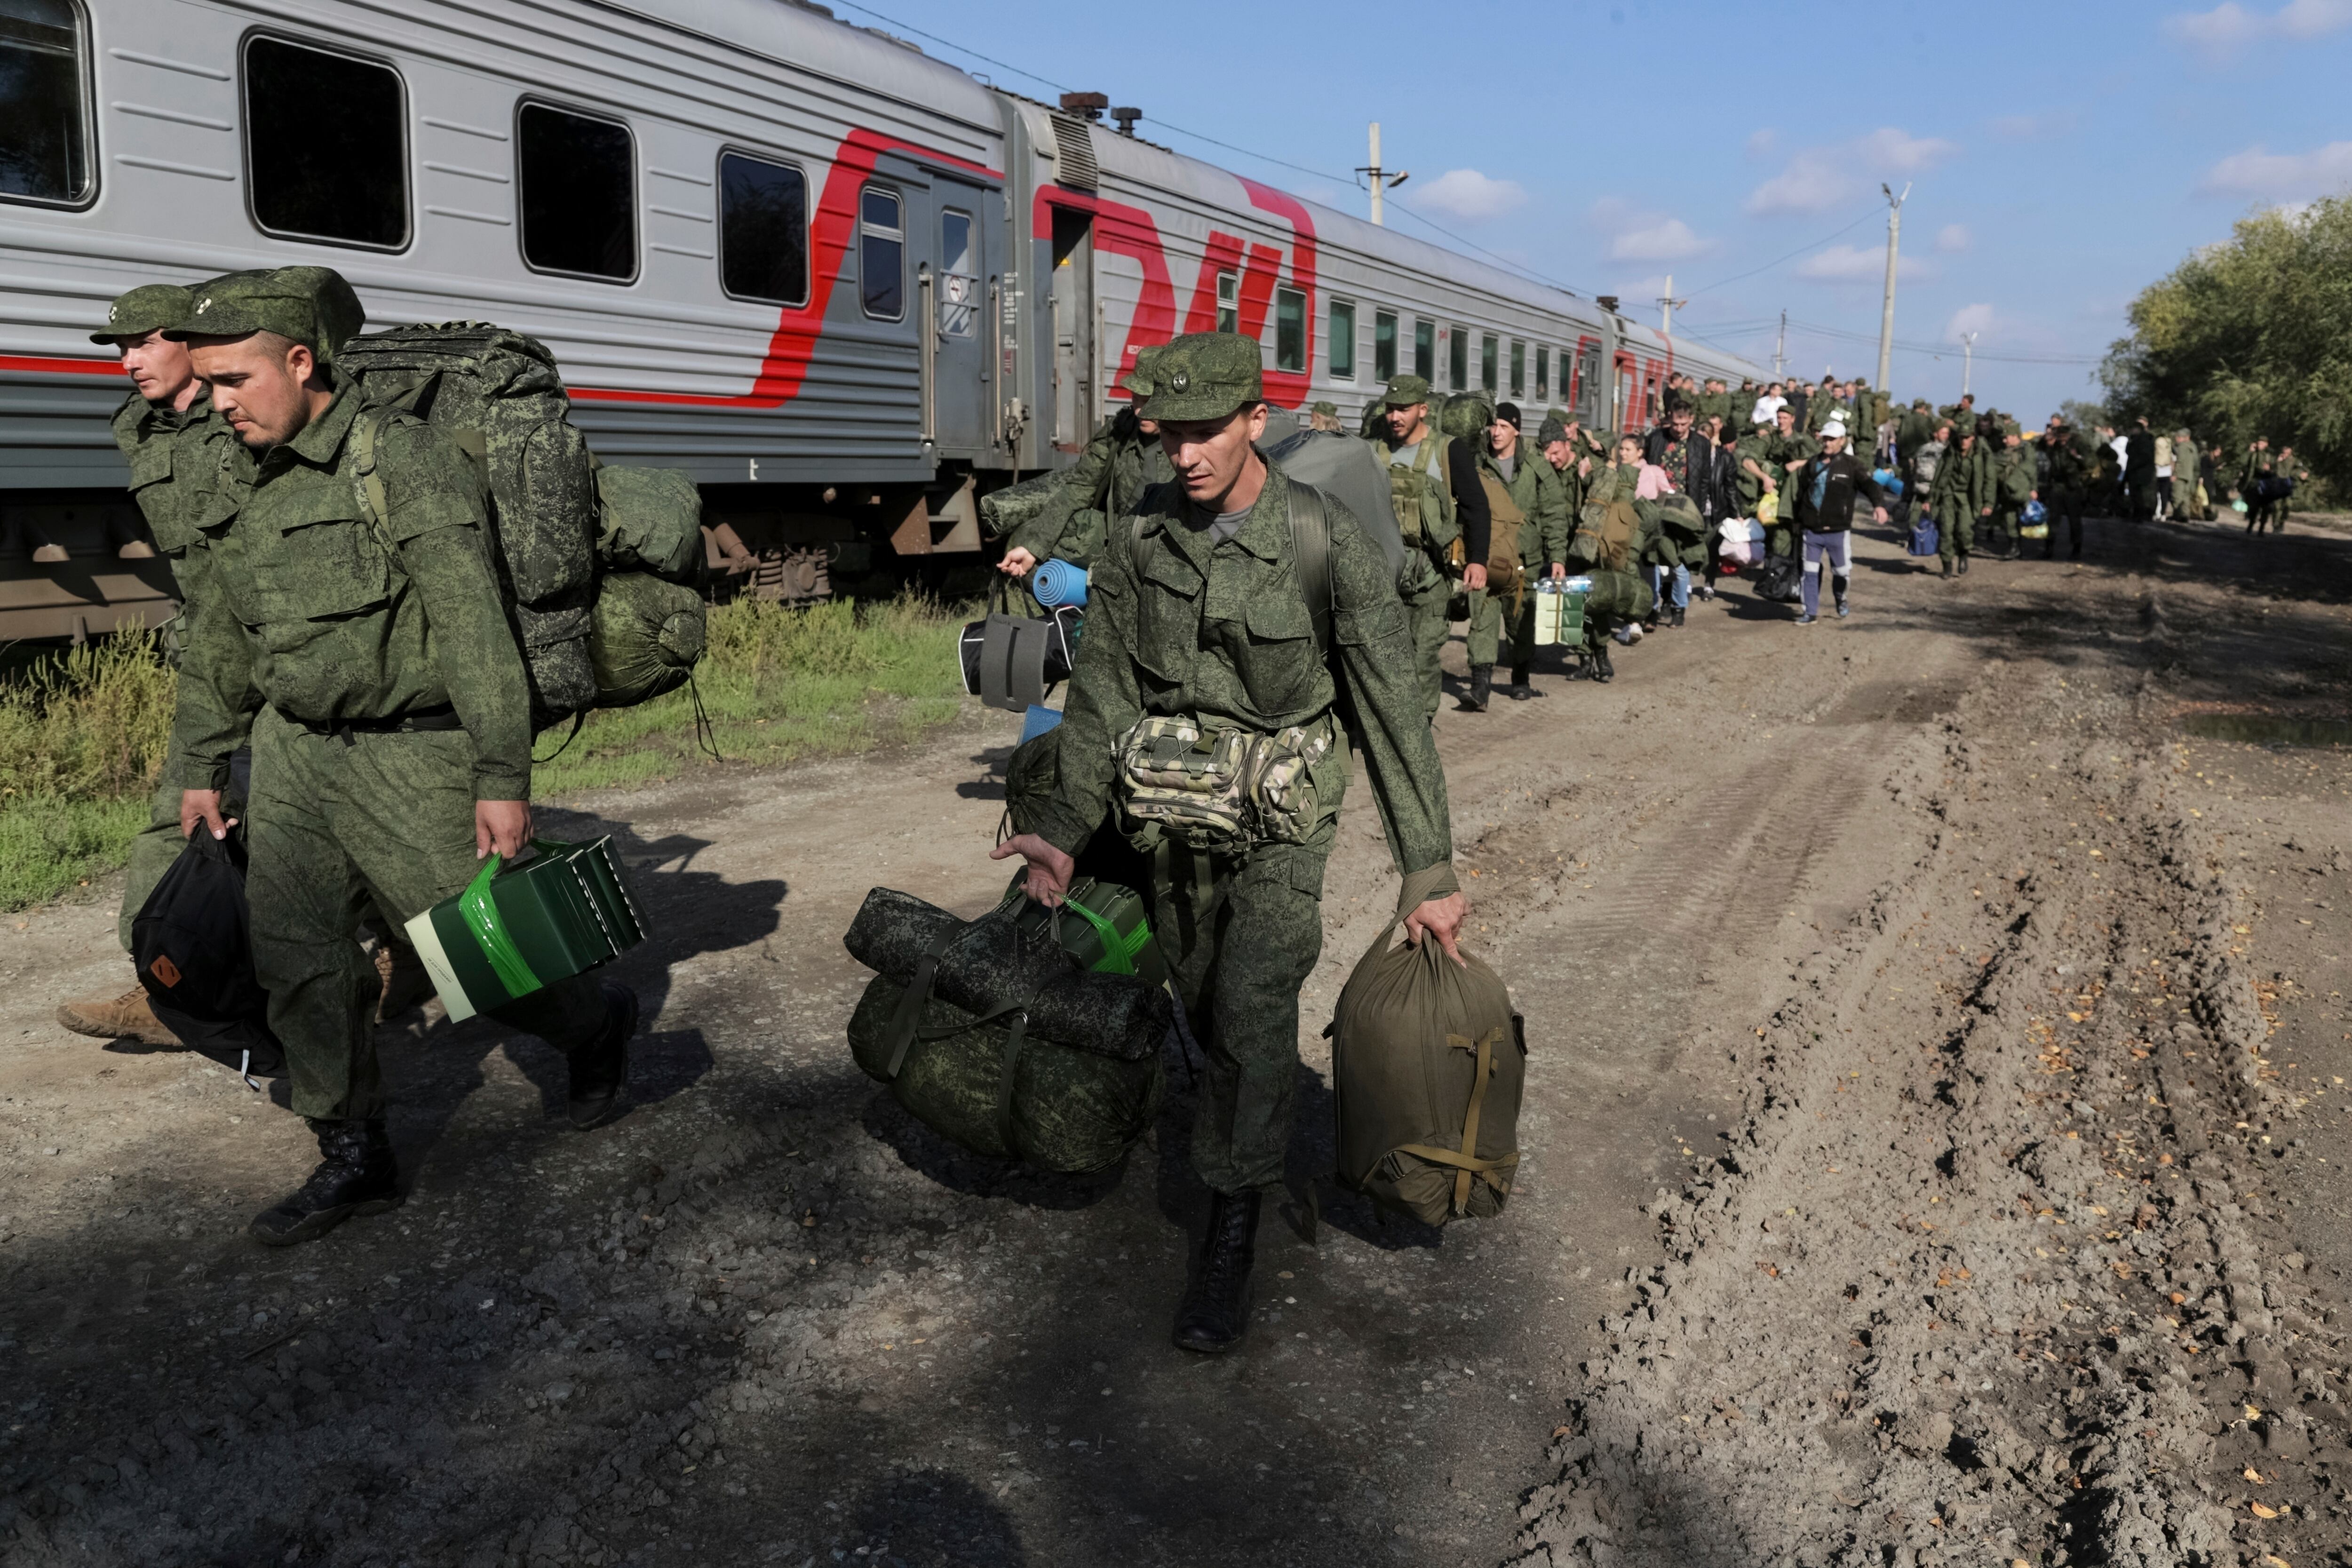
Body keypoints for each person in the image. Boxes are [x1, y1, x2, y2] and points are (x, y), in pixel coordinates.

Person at [990, 332, 1466, 1353]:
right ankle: (1233, 1114)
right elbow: (1104, 693)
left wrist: (1426, 870)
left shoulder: (1323, 541)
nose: (1187, 455)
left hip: (1282, 822)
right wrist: (1065, 832)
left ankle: (1229, 1235)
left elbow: (1390, 709)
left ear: (1257, 419)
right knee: (1201, 1000)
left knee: (1251, 1002)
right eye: (1169, 436)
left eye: (1207, 432)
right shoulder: (1137, 540)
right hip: (1169, 811)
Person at [166, 268, 642, 1246]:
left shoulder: (402, 458)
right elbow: (219, 632)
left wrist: (502, 778)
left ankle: (593, 1023)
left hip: (411, 756)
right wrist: (200, 762)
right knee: (301, 965)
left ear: (301, 363)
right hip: (291, 756)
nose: (219, 402)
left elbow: (473, 629)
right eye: (207, 382)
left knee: (490, 956)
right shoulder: (239, 473)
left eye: (235, 379)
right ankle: (354, 1156)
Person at [1374, 374, 1489, 721]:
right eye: (1391, 409)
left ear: (1422, 410)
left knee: (1423, 653)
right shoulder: (1373, 449)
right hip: (1383, 571)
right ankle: (1391, 724)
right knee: (1386, 656)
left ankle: (1420, 725)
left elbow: (1476, 507)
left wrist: (1478, 560)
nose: (1395, 417)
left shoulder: (1448, 449)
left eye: (1403, 410)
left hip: (1431, 573)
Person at [1474, 402, 1569, 700]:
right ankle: (1480, 686)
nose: (1496, 432)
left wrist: (1558, 557)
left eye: (1503, 426)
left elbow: (1555, 512)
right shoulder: (1479, 463)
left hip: (1525, 559)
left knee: (1520, 625)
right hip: (1487, 556)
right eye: (1493, 426)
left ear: (1517, 430)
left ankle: (1520, 678)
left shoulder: (1536, 468)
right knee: (1483, 619)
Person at [1788, 420, 1889, 623]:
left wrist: (1878, 505)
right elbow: (1802, 494)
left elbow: (1870, 485)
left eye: (1832, 439)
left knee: (1841, 573)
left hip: (1838, 531)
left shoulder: (1852, 465)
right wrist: (1799, 521)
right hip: (1812, 530)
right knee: (1809, 572)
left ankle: (1840, 599)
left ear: (1842, 441)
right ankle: (1810, 612)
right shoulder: (1813, 463)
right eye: (1825, 438)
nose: (1828, 443)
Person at [1642, 401, 1716, 626]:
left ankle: (1676, 606)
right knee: (1656, 555)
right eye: (1675, 423)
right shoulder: (1656, 439)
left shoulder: (1701, 444)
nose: (1679, 428)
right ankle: (1657, 604)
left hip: (1685, 509)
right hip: (1658, 507)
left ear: (1691, 420)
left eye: (1683, 424)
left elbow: (1704, 479)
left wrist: (1699, 510)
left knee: (1680, 558)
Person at [1929, 423, 1990, 577]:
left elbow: (1990, 479)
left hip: (1968, 498)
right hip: (1948, 494)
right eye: (1962, 438)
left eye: (1967, 438)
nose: (1964, 441)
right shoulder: (1950, 452)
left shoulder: (1979, 455)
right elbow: (1939, 475)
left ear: (1973, 439)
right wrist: (1931, 499)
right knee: (1946, 530)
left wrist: (1988, 502)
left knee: (1964, 530)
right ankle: (1947, 565)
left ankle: (1964, 553)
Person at [2040, 414, 2091, 560]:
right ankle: (2049, 548)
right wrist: (2048, 437)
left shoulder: (2076, 447)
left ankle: (2076, 549)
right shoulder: (2053, 447)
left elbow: (2088, 464)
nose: (2062, 439)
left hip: (2073, 486)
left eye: (2064, 437)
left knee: (2074, 520)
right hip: (2057, 485)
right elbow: (2040, 446)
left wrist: (2076, 457)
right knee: (2053, 519)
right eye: (2060, 436)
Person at [2122, 417, 2156, 522]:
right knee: (2135, 495)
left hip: (2141, 473)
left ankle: (2141, 515)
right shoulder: (2135, 439)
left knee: (2140, 496)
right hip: (2136, 472)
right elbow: (2128, 451)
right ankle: (2137, 514)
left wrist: (2134, 465)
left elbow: (2145, 457)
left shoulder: (2144, 440)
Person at [2240, 438, 2275, 533]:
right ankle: (2251, 525)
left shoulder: (2270, 457)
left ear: (2266, 444)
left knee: (2266, 507)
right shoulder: (2253, 455)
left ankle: (2261, 529)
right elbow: (2243, 462)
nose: (2259, 445)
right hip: (2254, 483)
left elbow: (2276, 471)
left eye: (2261, 443)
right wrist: (2249, 451)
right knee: (2253, 506)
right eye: (2258, 443)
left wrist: (2269, 470)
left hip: (2266, 484)